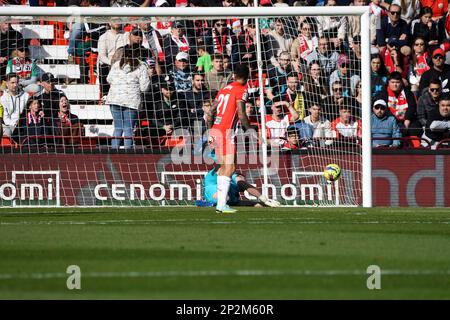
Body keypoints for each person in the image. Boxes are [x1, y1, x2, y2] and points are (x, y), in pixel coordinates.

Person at [206, 64, 252, 214]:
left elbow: (211, 112)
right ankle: (221, 205)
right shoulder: (241, 89)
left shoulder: (224, 90)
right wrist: (250, 129)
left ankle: (221, 204)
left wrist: (210, 131)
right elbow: (241, 113)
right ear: (247, 77)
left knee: (223, 168)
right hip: (226, 132)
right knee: (230, 168)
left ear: (233, 75)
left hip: (216, 130)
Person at [106, 45, 150, 149]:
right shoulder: (141, 66)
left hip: (115, 100)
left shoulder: (117, 64)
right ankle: (127, 154)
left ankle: (114, 152)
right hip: (131, 101)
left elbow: (109, 79)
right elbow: (144, 87)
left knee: (118, 128)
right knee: (128, 129)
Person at [202, 155, 280, 208]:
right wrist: (264, 199)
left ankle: (209, 203)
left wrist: (258, 203)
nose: (243, 178)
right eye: (241, 176)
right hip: (212, 188)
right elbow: (242, 183)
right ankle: (209, 202)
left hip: (219, 192)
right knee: (225, 198)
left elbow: (238, 203)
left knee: (227, 199)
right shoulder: (233, 176)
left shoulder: (233, 191)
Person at [97, 21, 128, 97]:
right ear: (109, 23)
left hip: (123, 64)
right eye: (114, 20)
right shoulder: (103, 37)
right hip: (108, 65)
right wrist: (113, 63)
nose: (117, 22)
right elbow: (102, 56)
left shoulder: (126, 35)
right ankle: (105, 95)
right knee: (102, 65)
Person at [0, 73, 29, 137]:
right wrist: (14, 125)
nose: (15, 85)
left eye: (17, 82)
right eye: (12, 83)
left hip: (23, 125)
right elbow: (5, 118)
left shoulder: (26, 96)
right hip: (8, 126)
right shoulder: (2, 99)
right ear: (7, 84)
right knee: (7, 131)